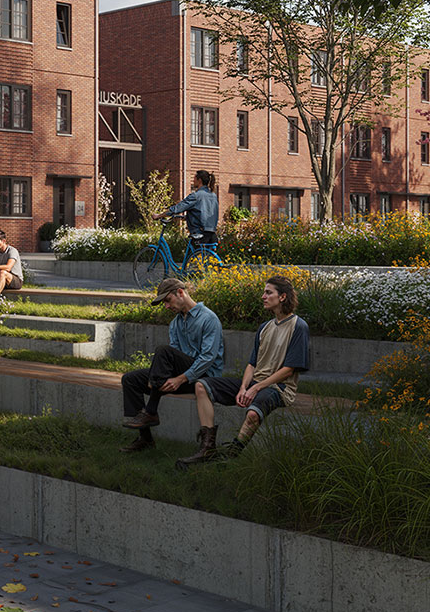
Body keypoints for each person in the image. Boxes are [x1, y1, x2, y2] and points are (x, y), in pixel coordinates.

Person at [178, 275, 311, 467]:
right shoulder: (264, 327)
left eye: (268, 293)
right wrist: (243, 387)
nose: (263, 296)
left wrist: (255, 389)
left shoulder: (298, 326)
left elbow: (288, 370)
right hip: (254, 384)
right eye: (264, 292)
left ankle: (231, 455)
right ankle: (207, 448)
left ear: (282, 297)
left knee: (253, 415)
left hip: (279, 388)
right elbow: (252, 364)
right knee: (201, 385)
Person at [118, 277, 225, 453]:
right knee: (130, 379)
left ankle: (151, 410)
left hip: (205, 377)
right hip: (182, 374)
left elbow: (207, 358)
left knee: (163, 351)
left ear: (180, 293)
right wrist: (160, 375)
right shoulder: (176, 323)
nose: (167, 306)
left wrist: (180, 379)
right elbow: (172, 357)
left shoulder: (209, 318)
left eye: (168, 300)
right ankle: (145, 439)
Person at [159, 169, 219, 248]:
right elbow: (205, 212)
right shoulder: (213, 196)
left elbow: (177, 208)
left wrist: (159, 215)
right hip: (212, 234)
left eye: (194, 178)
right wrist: (188, 217)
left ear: (199, 180)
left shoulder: (196, 196)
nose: (193, 181)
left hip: (199, 234)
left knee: (193, 255)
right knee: (206, 255)